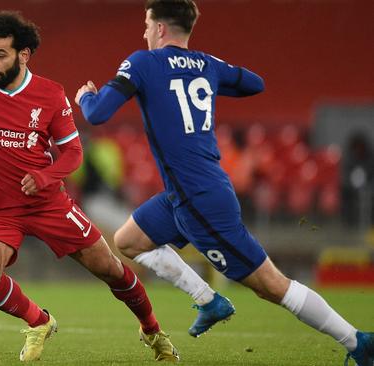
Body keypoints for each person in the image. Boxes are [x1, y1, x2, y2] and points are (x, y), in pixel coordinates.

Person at [75, 1, 374, 365]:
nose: (144, 32)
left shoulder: (142, 62)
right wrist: (208, 72)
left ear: (160, 29)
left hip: (199, 200)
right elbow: (254, 83)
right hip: (184, 193)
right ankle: (209, 300)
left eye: (146, 24)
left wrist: (85, 96)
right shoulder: (205, 63)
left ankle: (357, 341)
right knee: (128, 241)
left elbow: (96, 112)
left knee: (272, 286)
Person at [0, 11, 178, 362]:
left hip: (47, 203)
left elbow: (73, 154)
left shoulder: (50, 94)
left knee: (111, 268)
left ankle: (151, 329)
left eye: (0, 55)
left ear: (23, 55)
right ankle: (38, 321)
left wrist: (46, 176)